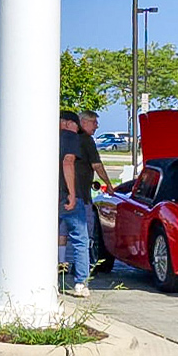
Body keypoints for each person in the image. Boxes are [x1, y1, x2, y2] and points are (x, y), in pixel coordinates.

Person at [58, 111, 90, 297]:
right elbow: (68, 162)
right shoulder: (69, 137)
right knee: (80, 238)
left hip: (44, 195)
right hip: (64, 194)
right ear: (69, 123)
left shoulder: (42, 136)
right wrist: (71, 193)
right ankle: (80, 283)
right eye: (77, 126)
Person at [74, 109, 113, 246]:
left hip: (65, 194)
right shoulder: (86, 140)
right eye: (94, 122)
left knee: (63, 233)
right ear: (83, 122)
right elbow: (97, 165)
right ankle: (83, 264)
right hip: (82, 196)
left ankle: (62, 262)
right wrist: (108, 184)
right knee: (85, 233)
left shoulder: (68, 138)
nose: (97, 126)